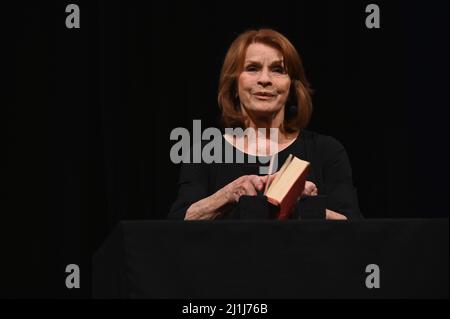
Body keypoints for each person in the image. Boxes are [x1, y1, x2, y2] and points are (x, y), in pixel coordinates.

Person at [168, 28, 361, 220]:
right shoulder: (205, 153)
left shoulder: (326, 151)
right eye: (252, 68)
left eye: (278, 70)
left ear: (292, 86)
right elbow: (178, 225)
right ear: (234, 84)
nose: (265, 80)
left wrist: (308, 206)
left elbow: (356, 229)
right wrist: (229, 194)